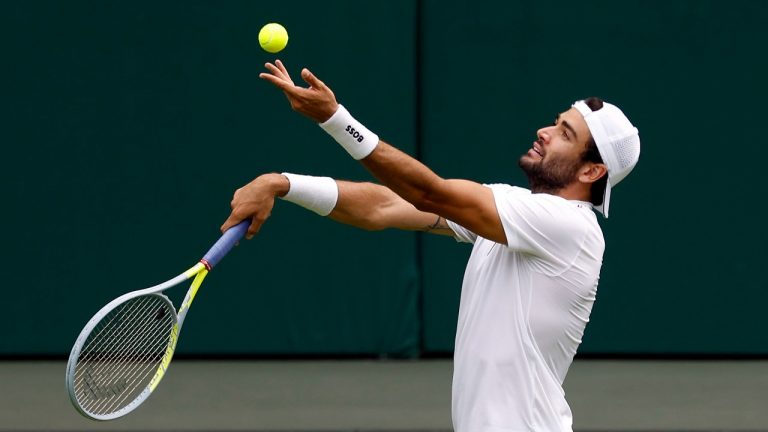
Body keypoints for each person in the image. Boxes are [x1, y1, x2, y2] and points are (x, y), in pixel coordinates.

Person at [221, 60, 640, 432]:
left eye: (564, 133)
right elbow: (383, 207)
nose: (545, 132)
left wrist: (335, 119)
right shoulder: (518, 212)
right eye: (556, 121)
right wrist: (284, 183)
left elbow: (430, 194)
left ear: (592, 170)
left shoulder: (571, 227)